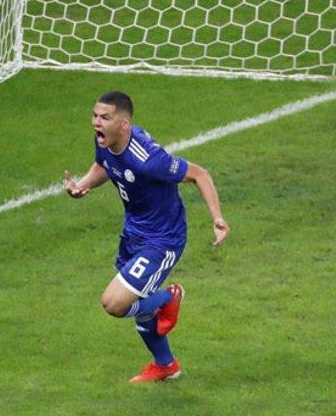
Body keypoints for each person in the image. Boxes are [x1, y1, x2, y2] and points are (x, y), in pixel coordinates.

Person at [63, 90, 229, 383]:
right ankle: (166, 365)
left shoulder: (150, 160)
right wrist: (85, 184)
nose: (96, 123)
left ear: (124, 124)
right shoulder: (105, 139)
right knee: (139, 306)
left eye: (105, 117)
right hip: (134, 231)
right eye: (95, 116)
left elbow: (200, 174)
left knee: (115, 304)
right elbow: (105, 164)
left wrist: (217, 219)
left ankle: (168, 297)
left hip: (163, 239)